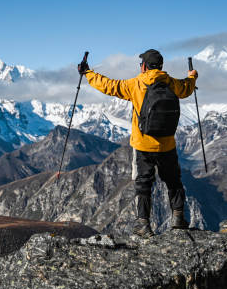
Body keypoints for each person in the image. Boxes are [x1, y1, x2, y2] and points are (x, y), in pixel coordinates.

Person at [78, 49, 197, 237]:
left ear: (144, 66)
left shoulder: (136, 84)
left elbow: (109, 85)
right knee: (173, 181)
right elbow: (188, 88)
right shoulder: (172, 84)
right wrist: (193, 76)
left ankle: (143, 224)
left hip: (142, 145)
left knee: (143, 183)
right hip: (167, 144)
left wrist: (88, 73)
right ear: (160, 66)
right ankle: (178, 218)